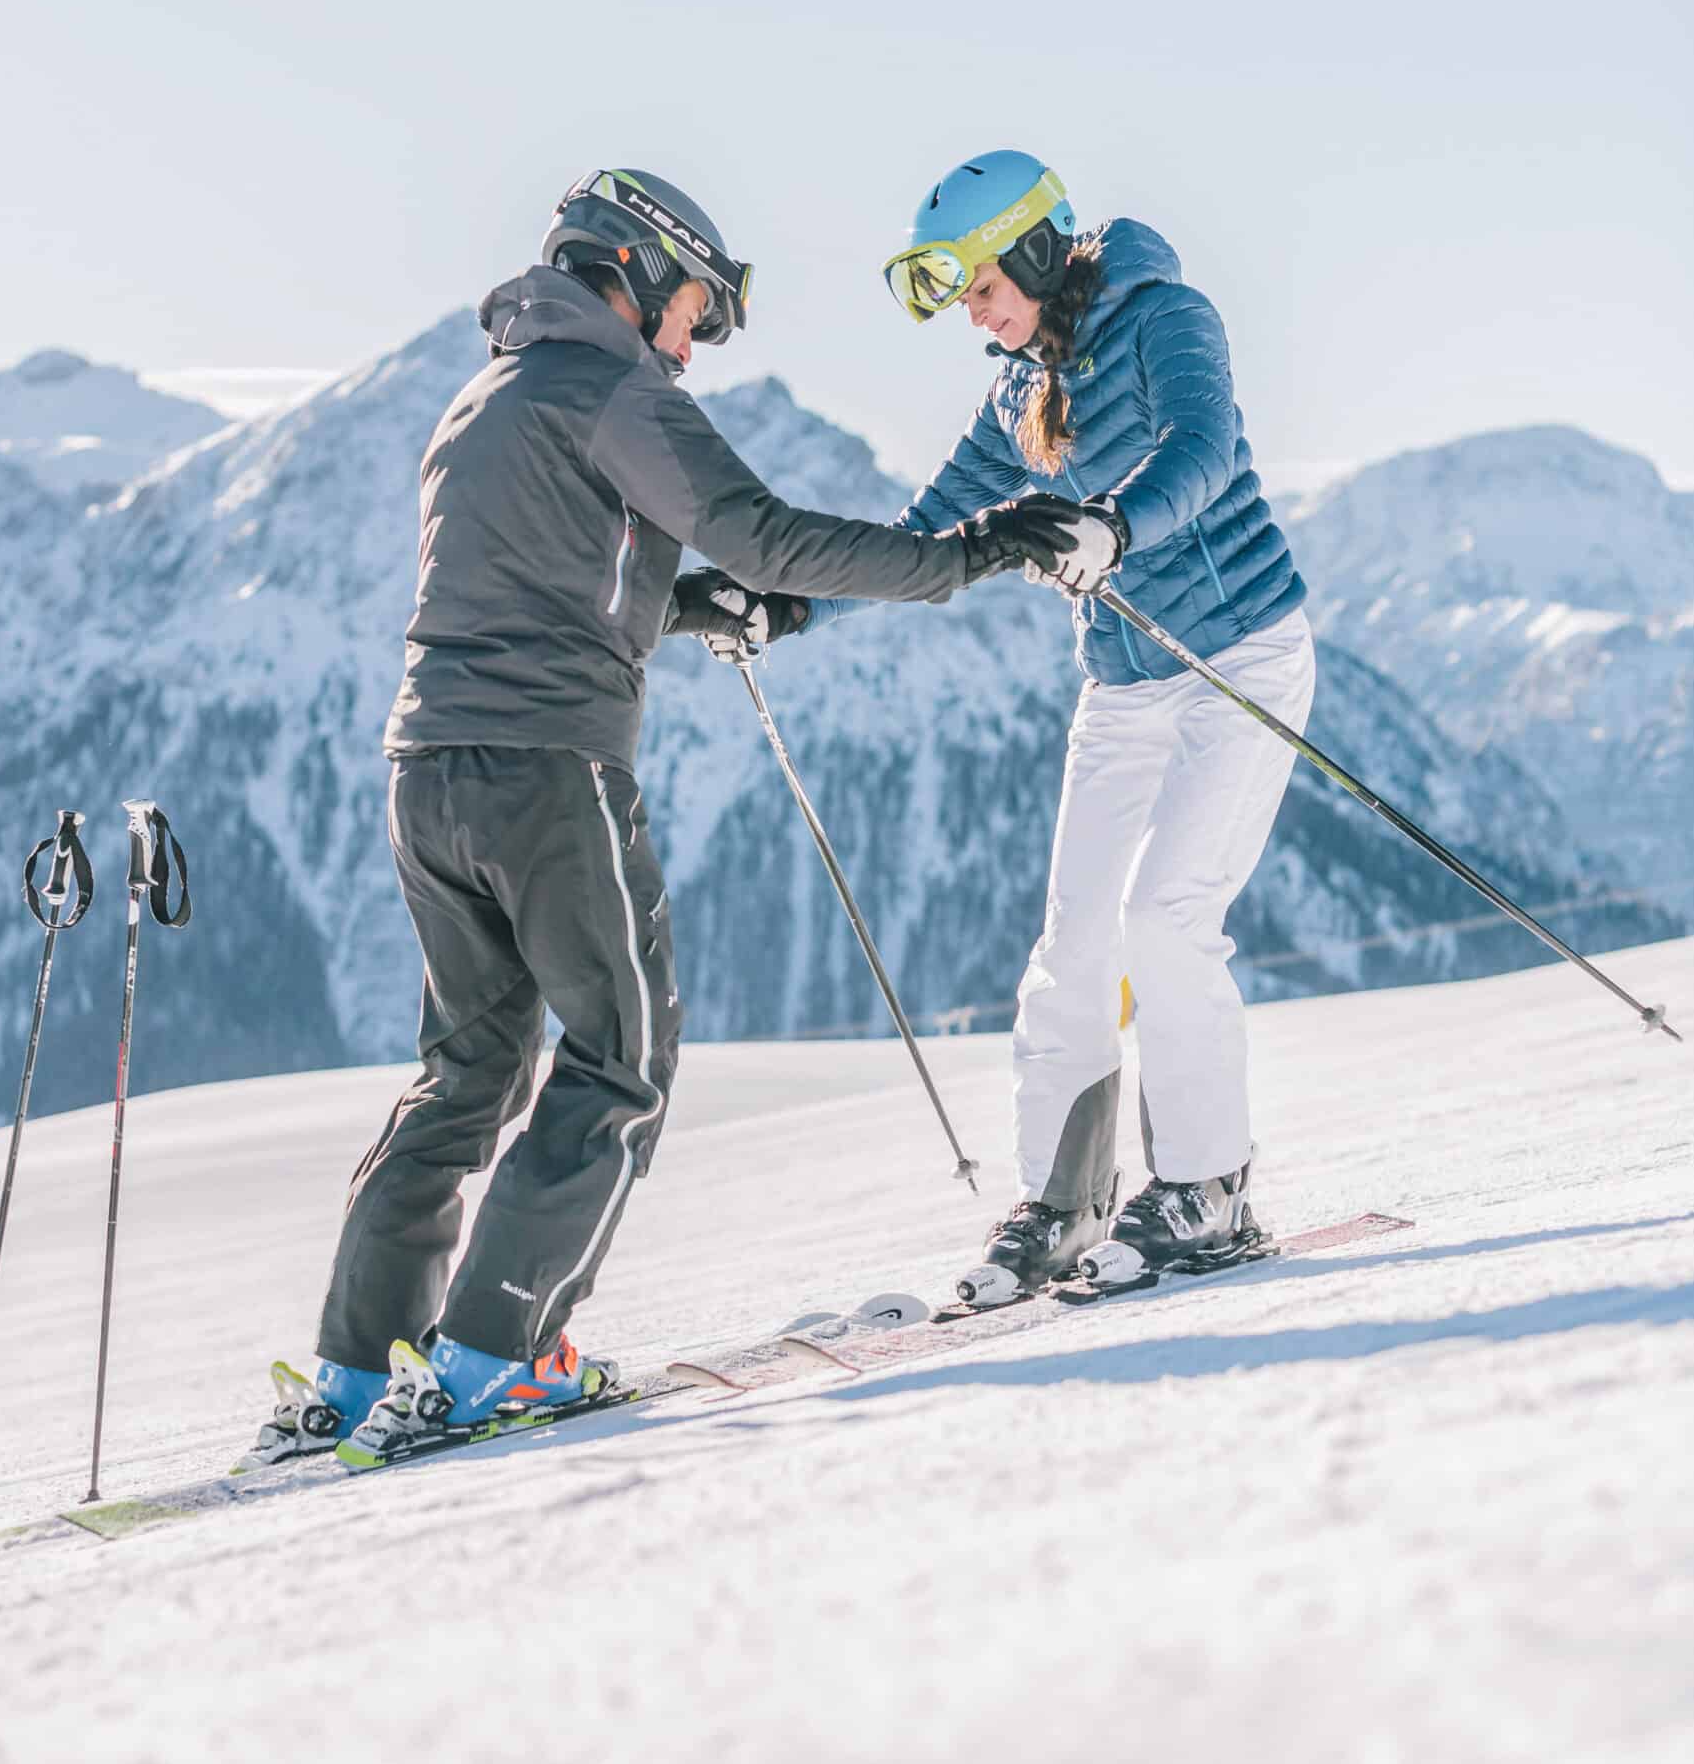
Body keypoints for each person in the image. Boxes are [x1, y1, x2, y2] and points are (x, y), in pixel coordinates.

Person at [242, 165, 1081, 1470]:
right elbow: (764, 535)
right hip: (548, 771)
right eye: (695, 310)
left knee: (468, 1073)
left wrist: (684, 609)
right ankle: (499, 1354)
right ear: (635, 272)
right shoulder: (612, 388)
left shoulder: (485, 398)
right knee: (621, 1055)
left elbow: (542, 580)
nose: (692, 344)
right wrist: (970, 553)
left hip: (429, 772)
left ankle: (357, 1372)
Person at [710, 149, 1313, 1303]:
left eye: (983, 285)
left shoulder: (1167, 317)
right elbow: (925, 532)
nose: (976, 314)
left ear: (1038, 248)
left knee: (1166, 920)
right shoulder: (1017, 395)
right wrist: (789, 606)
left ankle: (1209, 1188)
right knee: (1073, 945)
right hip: (1124, 685)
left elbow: (1202, 447)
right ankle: (1063, 1203)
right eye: (960, 296)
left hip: (1239, 658)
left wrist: (1112, 527)